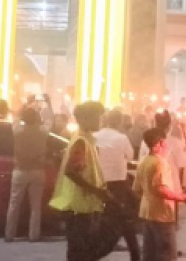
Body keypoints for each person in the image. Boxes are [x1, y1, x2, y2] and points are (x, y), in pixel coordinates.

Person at [49, 101, 121, 261]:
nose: (101, 121)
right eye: (98, 117)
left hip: (83, 207)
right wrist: (98, 192)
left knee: (81, 253)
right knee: (82, 253)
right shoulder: (81, 142)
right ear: (86, 119)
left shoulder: (85, 140)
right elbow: (71, 172)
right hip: (80, 209)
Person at [134, 127, 186, 261]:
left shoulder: (143, 162)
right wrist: (182, 197)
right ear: (160, 143)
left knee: (149, 254)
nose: (166, 145)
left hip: (147, 213)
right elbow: (161, 189)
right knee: (166, 254)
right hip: (162, 215)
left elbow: (137, 189)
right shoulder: (160, 163)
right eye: (164, 142)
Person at [94, 109, 139, 261]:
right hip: (119, 184)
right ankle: (135, 255)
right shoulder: (121, 138)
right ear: (119, 122)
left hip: (99, 183)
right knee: (125, 220)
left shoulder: (95, 136)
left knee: (103, 218)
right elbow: (130, 156)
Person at [5, 107, 48, 242]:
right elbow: (50, 119)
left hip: (20, 170)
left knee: (14, 204)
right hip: (37, 170)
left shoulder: (18, 131)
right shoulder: (42, 132)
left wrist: (22, 109)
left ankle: (9, 234)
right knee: (35, 206)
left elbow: (15, 119)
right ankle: (33, 235)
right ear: (37, 118)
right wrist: (47, 104)